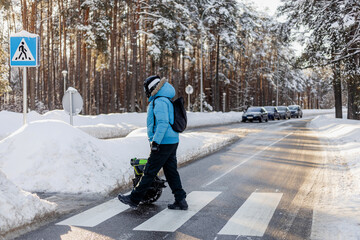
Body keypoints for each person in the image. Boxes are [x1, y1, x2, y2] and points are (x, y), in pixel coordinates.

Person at [118, 75, 188, 210]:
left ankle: (134, 198)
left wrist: (156, 142)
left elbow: (162, 123)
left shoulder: (160, 101)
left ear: (151, 88)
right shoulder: (164, 99)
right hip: (171, 140)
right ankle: (180, 200)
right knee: (171, 171)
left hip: (163, 142)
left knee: (149, 171)